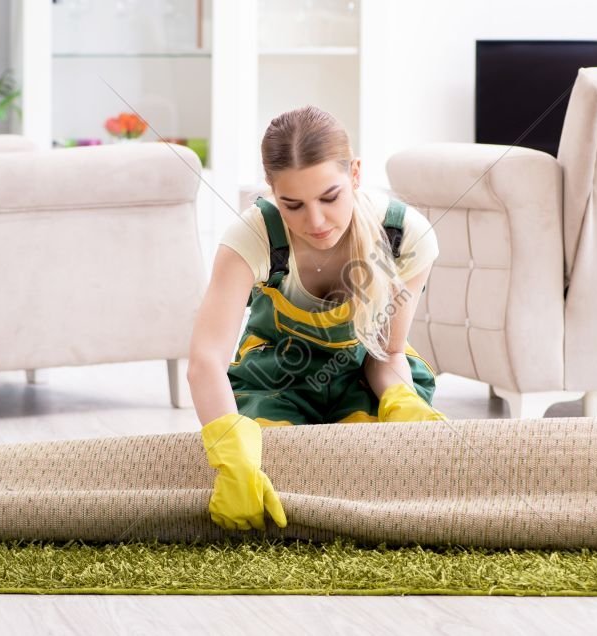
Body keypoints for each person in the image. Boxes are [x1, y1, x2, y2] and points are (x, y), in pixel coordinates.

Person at [187, 105, 446, 533]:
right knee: (279, 469)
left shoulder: (404, 237)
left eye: (330, 197)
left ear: (355, 174)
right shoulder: (252, 238)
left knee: (377, 472)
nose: (316, 221)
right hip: (274, 380)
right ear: (272, 192)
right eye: (293, 205)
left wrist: (402, 405)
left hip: (361, 374)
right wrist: (230, 447)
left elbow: (387, 351)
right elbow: (206, 361)